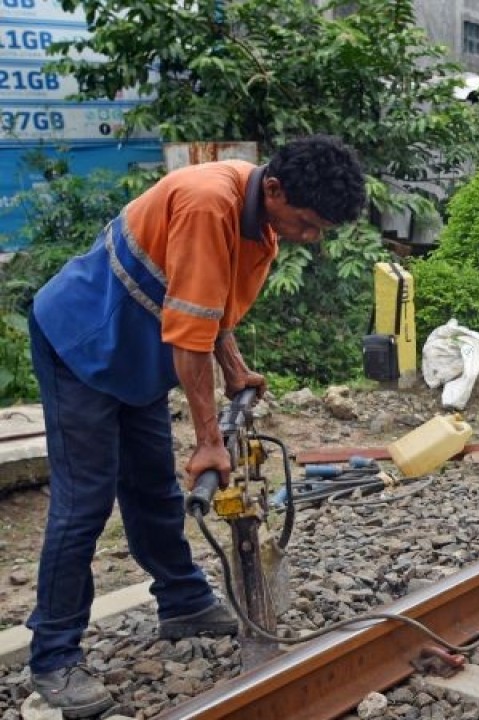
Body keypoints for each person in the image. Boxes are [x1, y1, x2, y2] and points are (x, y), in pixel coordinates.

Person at [25, 135, 367, 716]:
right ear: (277, 189)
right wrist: (210, 442)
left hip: (136, 354)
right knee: (84, 504)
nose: (311, 237)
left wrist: (235, 371)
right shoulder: (211, 202)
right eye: (308, 223)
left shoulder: (257, 210)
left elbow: (208, 307)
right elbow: (189, 336)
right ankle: (53, 659)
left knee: (155, 486)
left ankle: (182, 602)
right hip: (82, 344)